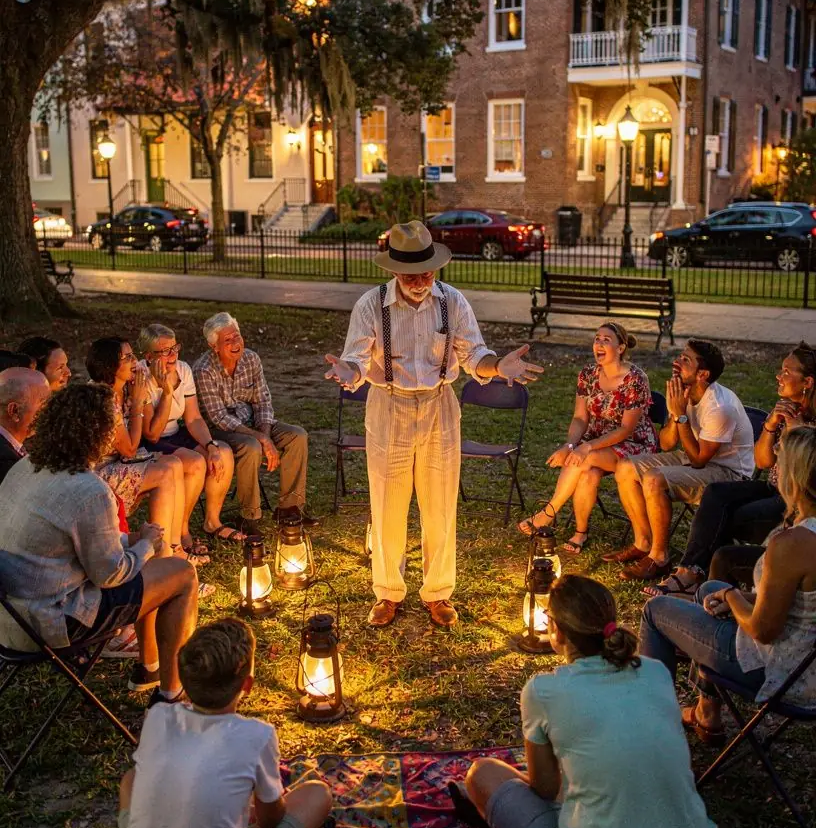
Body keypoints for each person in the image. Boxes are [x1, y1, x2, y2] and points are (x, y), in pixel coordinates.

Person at [451, 574, 715, 828]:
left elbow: (546, 790)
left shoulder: (543, 691)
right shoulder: (655, 672)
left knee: (482, 775)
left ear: (556, 631)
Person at [325, 219, 543, 628]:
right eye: (412, 272)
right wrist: (348, 373)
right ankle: (388, 592)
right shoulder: (371, 305)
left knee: (440, 506)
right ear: (394, 270)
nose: (422, 279)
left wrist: (498, 366)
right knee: (387, 505)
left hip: (440, 405)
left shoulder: (452, 302)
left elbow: (473, 352)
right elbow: (355, 359)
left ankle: (438, 592)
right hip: (388, 405)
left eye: (428, 269)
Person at [112, 616, 335, 828]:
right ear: (247, 684)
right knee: (317, 794)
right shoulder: (256, 736)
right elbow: (271, 820)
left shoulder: (160, 717)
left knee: (132, 780)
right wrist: (254, 811)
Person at [0, 382, 198, 702]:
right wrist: (144, 543)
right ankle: (173, 694)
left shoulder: (25, 467)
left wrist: (133, 540)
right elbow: (110, 574)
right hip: (52, 622)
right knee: (182, 574)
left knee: (152, 556)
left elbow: (64, 538)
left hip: (9, 617)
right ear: (102, 434)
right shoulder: (89, 490)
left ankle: (150, 668)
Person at [639, 425, 816, 741]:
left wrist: (734, 597)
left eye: (781, 465)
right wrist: (736, 596)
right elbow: (802, 604)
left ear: (795, 478)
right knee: (709, 589)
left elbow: (763, 630)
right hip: (806, 659)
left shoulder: (792, 544)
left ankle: (652, 730)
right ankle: (708, 711)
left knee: (656, 611)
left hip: (783, 674)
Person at [656, 344, 816, 598]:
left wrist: (794, 433)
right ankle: (691, 572)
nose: (779, 376)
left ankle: (704, 579)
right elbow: (763, 461)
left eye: (786, 372)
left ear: (807, 381)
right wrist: (770, 425)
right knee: (716, 494)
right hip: (772, 487)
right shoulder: (787, 408)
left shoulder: (809, 423)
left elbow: (799, 476)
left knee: (730, 517)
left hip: (794, 500)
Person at [607, 339, 755, 585]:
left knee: (655, 479)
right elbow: (666, 443)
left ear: (703, 374)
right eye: (680, 356)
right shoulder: (684, 393)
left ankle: (659, 557)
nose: (677, 362)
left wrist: (683, 416)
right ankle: (643, 543)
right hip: (694, 457)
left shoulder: (720, 407)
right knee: (625, 467)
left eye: (686, 360)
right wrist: (676, 412)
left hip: (729, 475)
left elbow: (698, 460)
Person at [519, 322, 657, 554]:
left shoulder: (636, 379)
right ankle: (580, 533)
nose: (599, 344)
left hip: (633, 445)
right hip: (597, 442)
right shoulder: (588, 374)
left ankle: (548, 513)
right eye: (597, 338)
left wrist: (585, 448)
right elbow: (580, 418)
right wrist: (570, 445)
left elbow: (625, 430)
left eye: (606, 340)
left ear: (621, 348)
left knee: (583, 459)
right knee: (587, 471)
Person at [193, 313, 312, 537]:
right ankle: (249, 516)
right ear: (214, 346)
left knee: (297, 436)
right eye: (227, 340)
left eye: (237, 337)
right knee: (251, 446)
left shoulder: (251, 359)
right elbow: (219, 417)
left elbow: (263, 401)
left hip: (253, 424)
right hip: (221, 431)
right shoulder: (203, 369)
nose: (235, 343)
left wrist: (265, 434)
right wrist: (261, 439)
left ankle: (289, 508)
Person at [86, 337, 199, 564]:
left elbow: (152, 433)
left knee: (175, 464)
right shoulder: (101, 397)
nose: (134, 361)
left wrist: (161, 392)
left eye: (132, 355)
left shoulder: (132, 385)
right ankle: (163, 558)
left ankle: (174, 549)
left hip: (120, 463)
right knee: (165, 473)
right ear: (110, 365)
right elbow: (129, 449)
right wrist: (137, 403)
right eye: (127, 357)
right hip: (95, 474)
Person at [137, 323, 237, 547]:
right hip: (150, 441)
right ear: (148, 356)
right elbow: (152, 434)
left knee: (223, 453)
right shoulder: (140, 376)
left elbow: (193, 418)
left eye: (175, 348)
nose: (173, 355)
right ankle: (181, 531)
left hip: (176, 432)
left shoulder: (183, 369)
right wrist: (167, 391)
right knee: (195, 463)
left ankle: (212, 521)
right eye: (165, 351)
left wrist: (210, 445)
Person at [0, 367, 50, 485]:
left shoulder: (10, 447)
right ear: (14, 411)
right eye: (43, 405)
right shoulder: (6, 462)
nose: (49, 412)